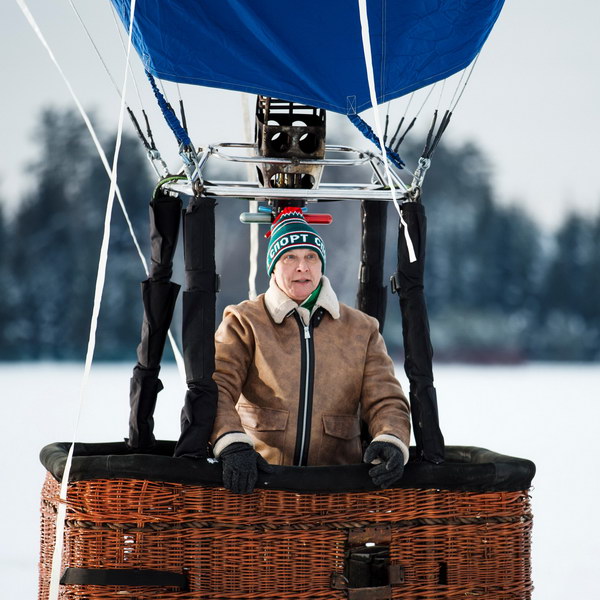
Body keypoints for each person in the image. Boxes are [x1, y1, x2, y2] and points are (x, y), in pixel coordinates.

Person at [210, 207, 411, 493]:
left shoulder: (361, 328)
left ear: (321, 265)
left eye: (311, 257)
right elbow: (217, 388)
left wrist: (390, 439)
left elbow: (386, 400)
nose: (302, 267)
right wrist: (232, 443)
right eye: (290, 257)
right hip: (261, 482)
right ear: (273, 267)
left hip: (337, 487)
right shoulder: (244, 321)